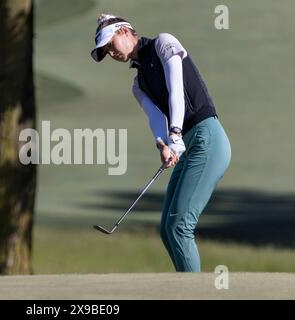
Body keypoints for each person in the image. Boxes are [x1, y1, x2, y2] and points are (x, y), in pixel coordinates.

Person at [90, 14, 231, 272]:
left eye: (110, 45)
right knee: (167, 229)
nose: (110, 53)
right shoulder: (138, 84)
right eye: (105, 51)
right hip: (187, 146)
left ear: (124, 31)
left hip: (206, 138)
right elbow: (156, 117)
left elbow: (176, 86)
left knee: (179, 227)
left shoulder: (163, 43)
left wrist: (175, 133)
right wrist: (163, 143)